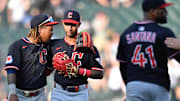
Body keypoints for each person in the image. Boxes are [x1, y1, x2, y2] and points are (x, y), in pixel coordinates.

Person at [116, 0, 180, 101]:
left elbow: (123, 65)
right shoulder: (164, 33)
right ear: (152, 12)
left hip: (135, 84)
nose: (166, 12)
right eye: (162, 9)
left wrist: (130, 85)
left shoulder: (127, 33)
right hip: (158, 84)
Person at [50, 9, 104, 101]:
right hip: (59, 91)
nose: (70, 28)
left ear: (79, 25)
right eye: (67, 24)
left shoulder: (87, 47)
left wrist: (79, 70)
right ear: (63, 24)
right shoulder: (54, 45)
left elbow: (99, 73)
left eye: (73, 24)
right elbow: (46, 69)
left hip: (79, 93)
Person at [4, 14, 59, 101]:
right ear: (40, 29)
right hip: (21, 95)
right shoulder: (18, 46)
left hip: (40, 95)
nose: (52, 33)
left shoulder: (48, 45)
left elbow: (47, 69)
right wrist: (12, 92)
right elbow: (11, 70)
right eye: (50, 30)